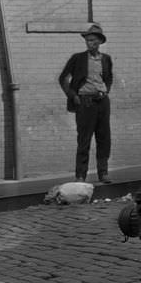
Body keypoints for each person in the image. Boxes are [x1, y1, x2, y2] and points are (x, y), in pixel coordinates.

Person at [58, 24, 114, 183]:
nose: (90, 43)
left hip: (102, 102)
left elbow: (109, 77)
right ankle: (81, 175)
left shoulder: (106, 59)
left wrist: (106, 91)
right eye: (88, 40)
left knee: (104, 138)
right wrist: (73, 95)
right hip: (85, 102)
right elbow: (63, 78)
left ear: (100, 42)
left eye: (93, 40)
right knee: (84, 139)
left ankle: (103, 173)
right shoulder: (78, 58)